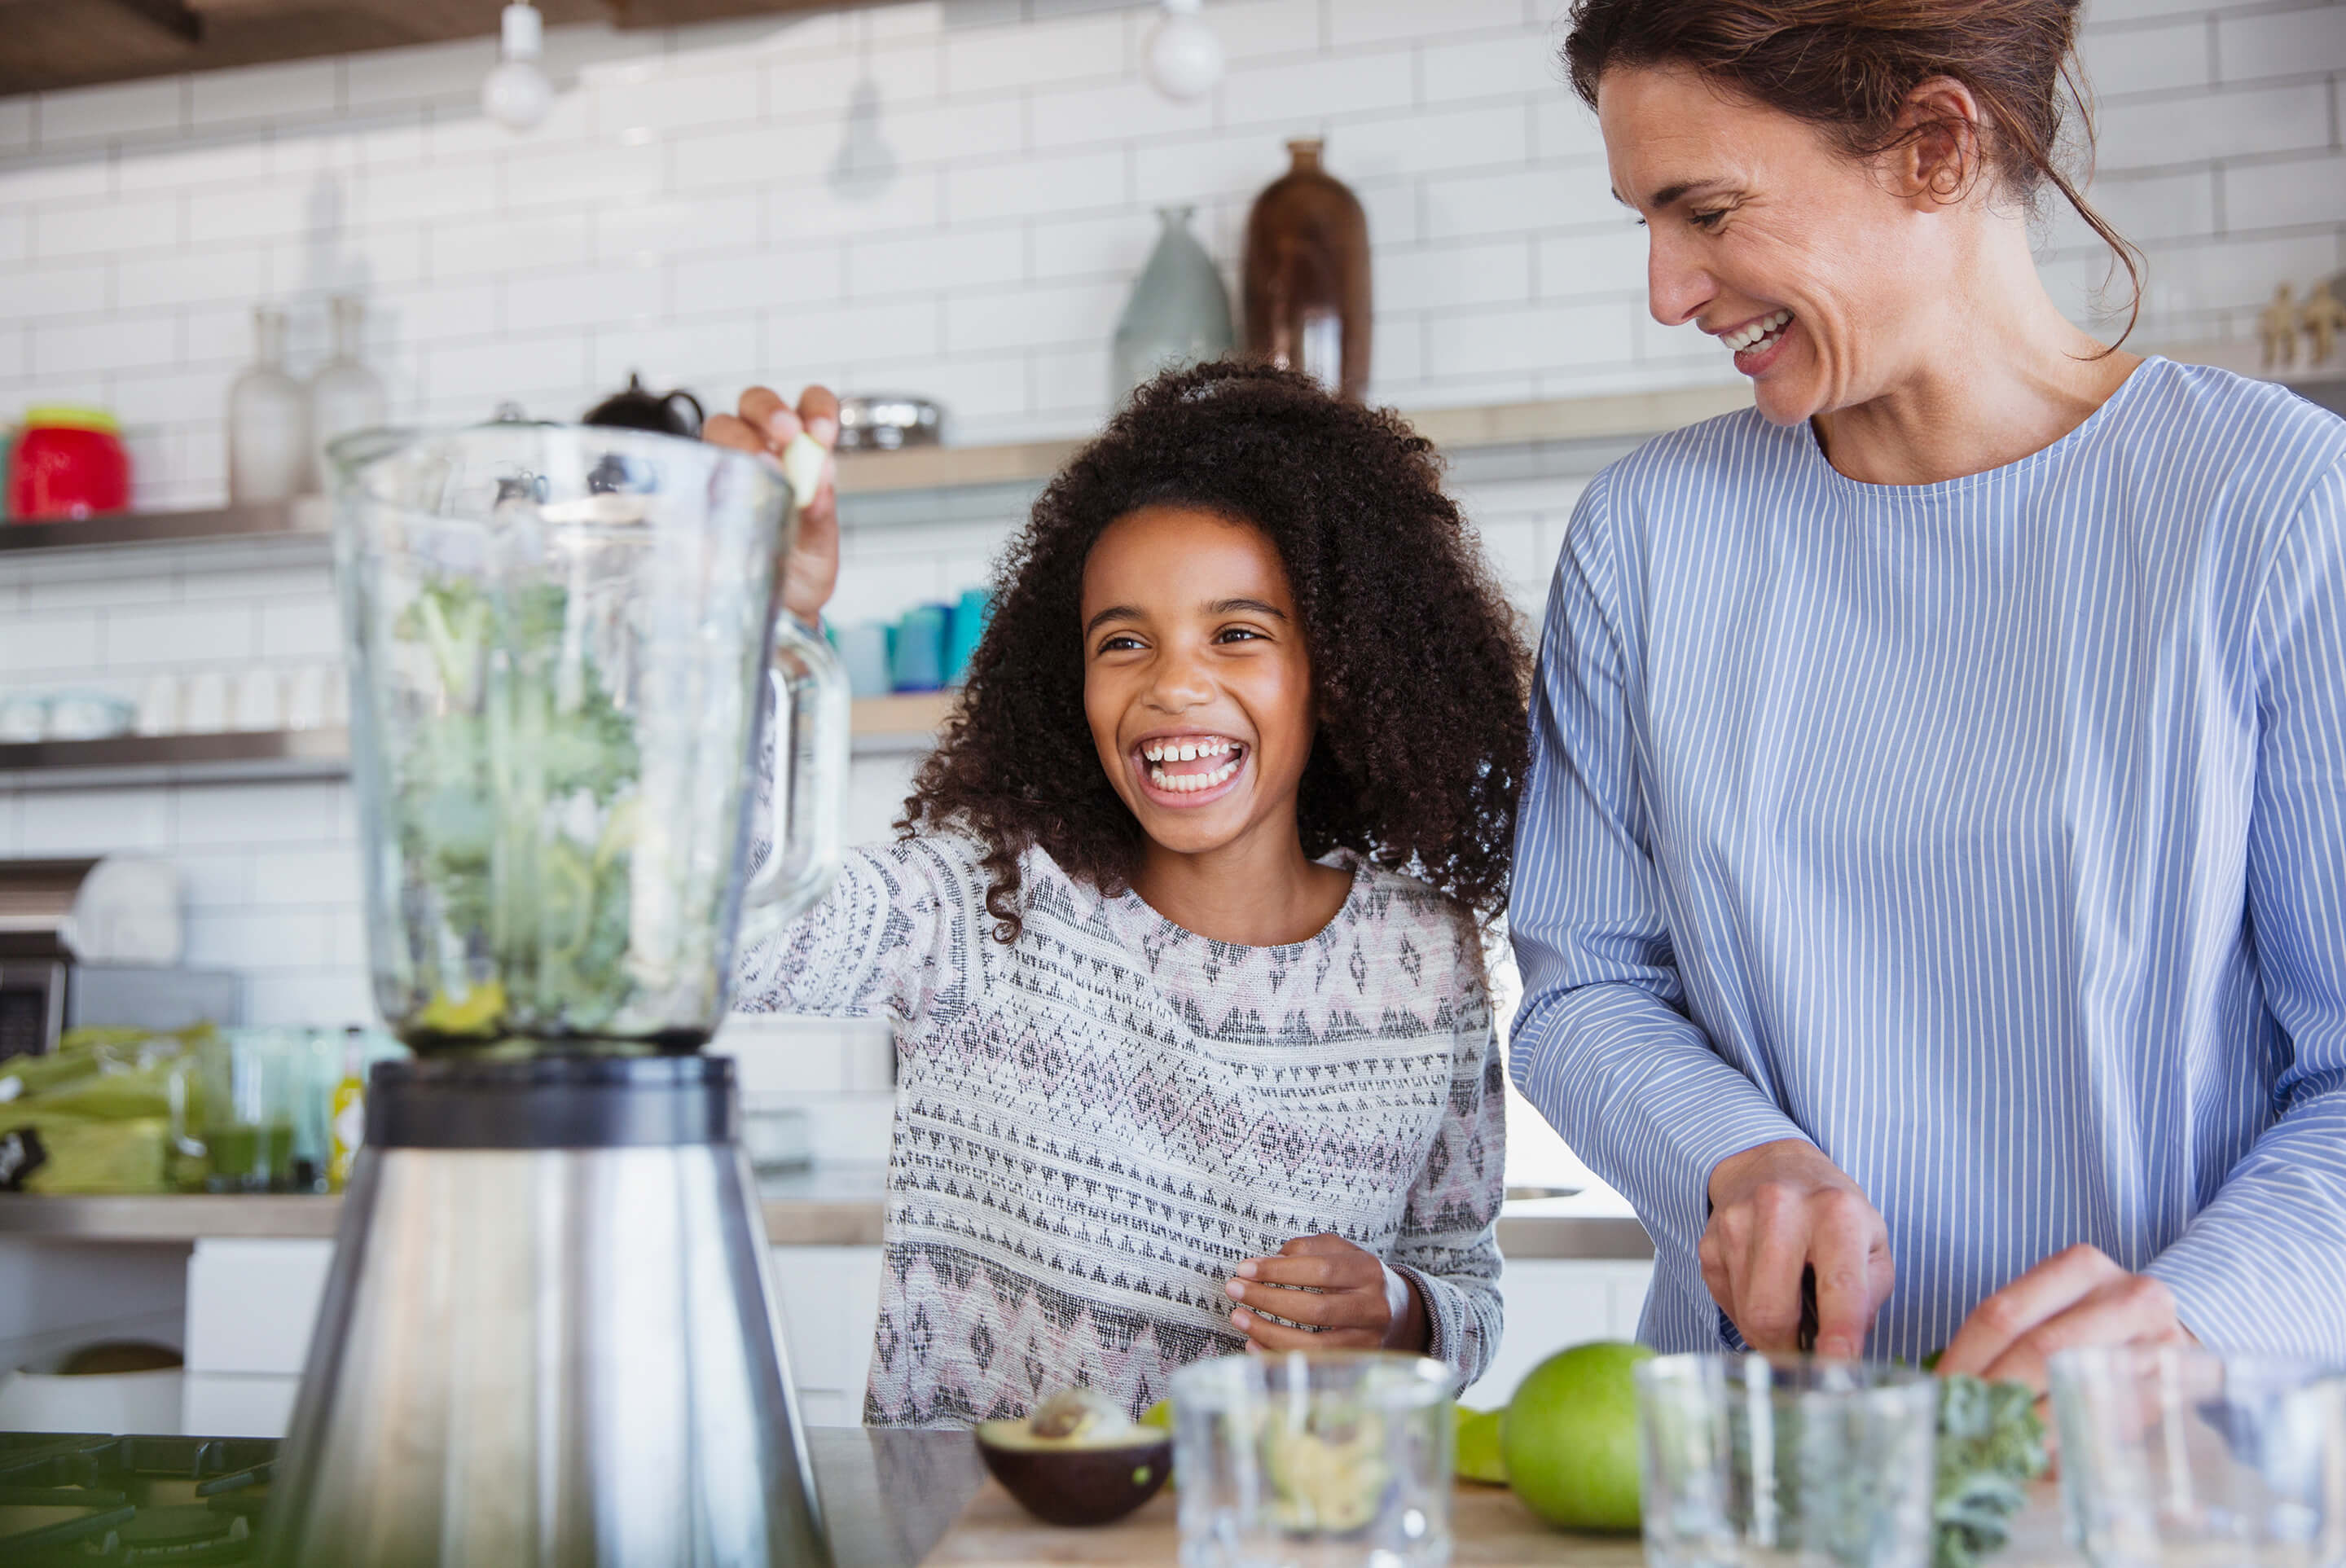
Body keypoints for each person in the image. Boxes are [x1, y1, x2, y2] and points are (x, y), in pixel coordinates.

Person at [1509, 0, 2346, 1386]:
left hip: (2159, 1475)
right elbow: (1586, 982)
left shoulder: (2276, 510)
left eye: (1705, 210)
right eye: (1642, 221)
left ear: (1935, 147)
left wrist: (2186, 1320)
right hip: (1762, 1456)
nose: (1666, 289)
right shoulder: (1647, 540)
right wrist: (1735, 1152)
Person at [708, 362, 1531, 1426]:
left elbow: (1463, 1283)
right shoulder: (984, 905)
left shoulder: (1427, 958)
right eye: (1124, 640)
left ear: (1337, 666)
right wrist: (747, 626)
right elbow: (725, 931)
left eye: (1238, 632)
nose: (1171, 684)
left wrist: (1402, 1313)